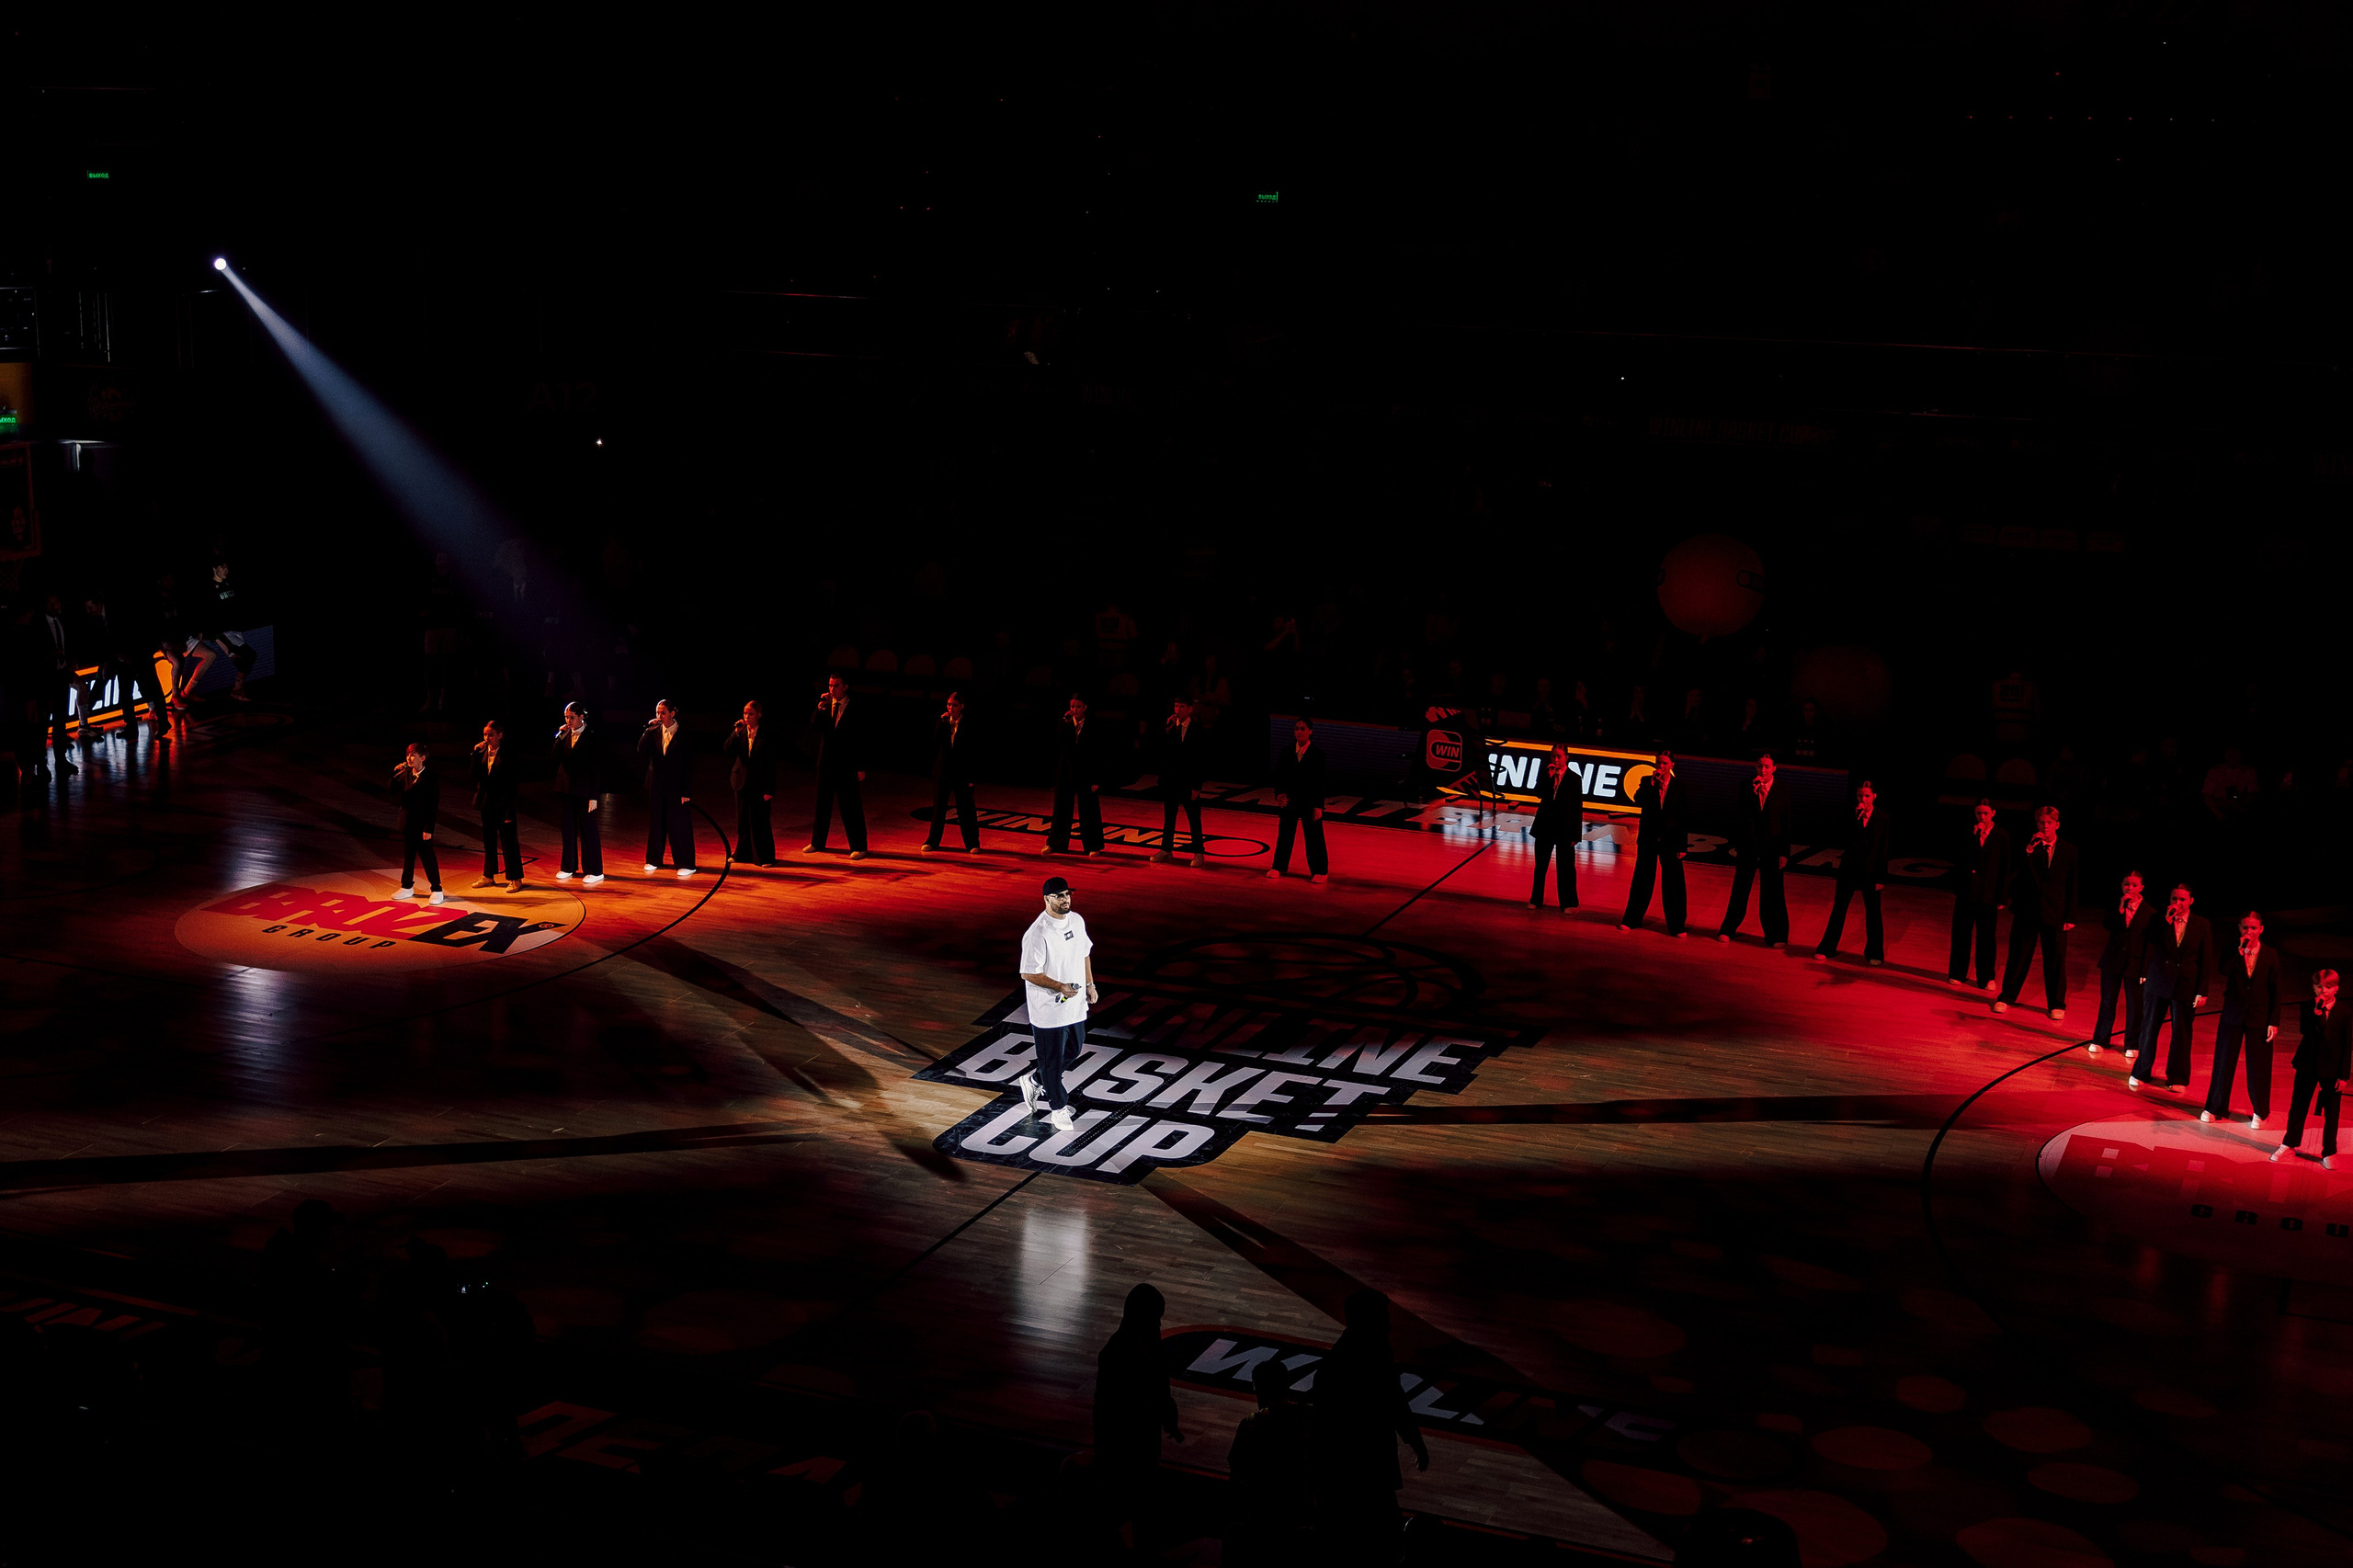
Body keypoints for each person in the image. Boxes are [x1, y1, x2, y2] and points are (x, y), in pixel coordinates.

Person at [1311, 1289, 1429, 1557]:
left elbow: (1394, 1400)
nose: (1390, 1324)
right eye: (1383, 1317)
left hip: (1355, 1477)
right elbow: (1394, 1401)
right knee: (1379, 1540)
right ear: (1366, 1322)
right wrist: (1414, 1440)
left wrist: (1414, 1439)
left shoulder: (1360, 1356)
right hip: (1357, 1476)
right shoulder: (1351, 1365)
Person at [1094, 1283, 1184, 1549]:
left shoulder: (1142, 1347)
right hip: (1121, 1451)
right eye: (1156, 1317)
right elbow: (1114, 1409)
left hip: (1137, 1448)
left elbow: (1159, 1391)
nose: (1158, 1324)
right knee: (1124, 1514)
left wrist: (1168, 1417)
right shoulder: (1115, 1354)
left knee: (1141, 1515)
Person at [1017, 876, 1095, 1133]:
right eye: (1059, 896)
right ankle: (1057, 1108)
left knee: (1073, 1050)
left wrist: (1090, 985)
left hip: (1074, 1004)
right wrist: (1060, 986)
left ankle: (1035, 1079)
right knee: (1052, 1060)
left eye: (1068, 894)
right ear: (1046, 900)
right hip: (1048, 1009)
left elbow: (1084, 952)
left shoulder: (1077, 920)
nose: (1065, 900)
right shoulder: (1038, 933)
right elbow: (1029, 973)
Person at [1226, 1358, 1313, 1566]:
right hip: (1306, 1513)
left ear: (1258, 1389)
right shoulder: (1311, 1417)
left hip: (1264, 1519)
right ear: (1287, 1384)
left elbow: (1236, 1472)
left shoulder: (1250, 1425)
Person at [1994, 805, 2078, 1017]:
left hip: (2055, 912)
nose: (2045, 826)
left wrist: (2070, 916)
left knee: (2055, 959)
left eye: (2049, 822)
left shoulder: (2069, 850)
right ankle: (2007, 997)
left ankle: (2057, 1003)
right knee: (2019, 955)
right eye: (2042, 822)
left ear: (2057, 825)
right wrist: (2029, 851)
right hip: (2028, 910)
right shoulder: (2030, 848)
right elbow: (2018, 875)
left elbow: (2073, 884)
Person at [2203, 910, 2284, 1129]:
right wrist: (2239, 953)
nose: (2249, 932)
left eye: (2253, 928)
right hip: (2233, 1013)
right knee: (2223, 1061)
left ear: (2261, 930)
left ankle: (2260, 1111)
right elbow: (2223, 970)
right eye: (2245, 928)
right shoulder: (2233, 950)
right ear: (2240, 929)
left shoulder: (2270, 954)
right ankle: (2215, 1106)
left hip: (2259, 1015)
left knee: (2259, 1065)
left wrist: (2273, 1021)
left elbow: (2275, 990)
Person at [2131, 883, 2213, 1091]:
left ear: (2191, 901)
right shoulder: (2159, 919)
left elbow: (2205, 960)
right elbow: (2148, 944)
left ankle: (2177, 1077)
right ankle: (2141, 1071)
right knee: (2149, 1028)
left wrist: (2202, 990)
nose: (2177, 903)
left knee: (2182, 1032)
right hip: (2158, 982)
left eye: (2182, 899)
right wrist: (2144, 973)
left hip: (2185, 985)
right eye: (2174, 898)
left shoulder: (2202, 925)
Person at [1811, 778, 1892, 964]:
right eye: (1860, 795)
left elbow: (1883, 849)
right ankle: (1827, 947)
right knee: (1839, 909)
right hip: (1849, 870)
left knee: (1873, 913)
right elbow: (1844, 840)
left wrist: (1881, 877)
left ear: (1874, 797)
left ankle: (1874, 953)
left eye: (1867, 796)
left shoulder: (1883, 818)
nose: (1863, 798)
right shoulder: (1850, 815)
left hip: (1871, 873)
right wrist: (1856, 820)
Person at [2277, 970, 2348, 1170]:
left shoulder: (2344, 1011)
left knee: (2332, 1111)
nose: (2322, 991)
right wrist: (2317, 1012)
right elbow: (2304, 1030)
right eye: (2318, 987)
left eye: (2327, 987)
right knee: (2298, 1105)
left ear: (2336, 989)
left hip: (2331, 1069)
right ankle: (2289, 1143)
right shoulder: (2309, 1006)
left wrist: (2343, 1075)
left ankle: (2329, 1151)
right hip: (2307, 1064)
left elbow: (2346, 1044)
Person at [1717, 752, 1789, 944]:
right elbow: (1740, 815)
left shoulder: (1783, 789)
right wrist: (1754, 792)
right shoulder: (1746, 786)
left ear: (1774, 768)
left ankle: (1775, 935)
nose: (1762, 770)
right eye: (1759, 766)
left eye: (1766, 766)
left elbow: (1786, 822)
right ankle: (1728, 929)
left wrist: (1784, 852)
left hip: (1772, 847)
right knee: (1740, 888)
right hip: (1749, 844)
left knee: (1772, 892)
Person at [1619, 752, 1688, 937]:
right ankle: (1632, 919)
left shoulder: (1679, 787)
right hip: (1648, 838)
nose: (1661, 766)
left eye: (1665, 763)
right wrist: (1650, 785)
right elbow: (1637, 799)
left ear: (1672, 765)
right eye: (1659, 763)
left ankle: (1677, 926)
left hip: (1671, 841)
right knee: (1642, 879)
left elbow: (1683, 817)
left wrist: (1682, 845)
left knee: (1673, 884)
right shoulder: (1646, 781)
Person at [2091, 870, 2154, 1057]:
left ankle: (2132, 1043)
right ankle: (2100, 1039)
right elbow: (2107, 925)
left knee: (2135, 1005)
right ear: (2122, 885)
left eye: (2134, 885)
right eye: (2127, 884)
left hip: (2134, 965)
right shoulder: (2116, 906)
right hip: (2112, 961)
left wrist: (2145, 970)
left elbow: (2150, 944)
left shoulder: (2150, 913)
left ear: (2142, 887)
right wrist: (2120, 909)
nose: (2130, 888)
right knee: (2108, 1001)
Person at [806, 673, 869, 858]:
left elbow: (862, 739)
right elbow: (813, 727)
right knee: (821, 805)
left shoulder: (855, 707)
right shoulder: (825, 707)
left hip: (847, 765)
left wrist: (861, 766)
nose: (832, 689)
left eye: (836, 685)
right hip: (826, 763)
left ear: (845, 687)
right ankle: (818, 842)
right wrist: (820, 707)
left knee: (851, 806)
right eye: (830, 685)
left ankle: (859, 845)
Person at [1949, 800, 2010, 989]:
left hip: (1988, 895)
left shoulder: (2002, 836)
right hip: (1967, 892)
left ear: (1993, 813)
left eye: (1985, 813)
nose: (1981, 817)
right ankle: (1958, 972)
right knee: (1961, 934)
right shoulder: (1969, 833)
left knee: (1986, 938)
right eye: (1978, 813)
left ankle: (1986, 977)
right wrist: (1974, 838)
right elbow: (1960, 860)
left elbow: (2005, 868)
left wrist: (2002, 897)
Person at [639, 699, 699, 877]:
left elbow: (688, 765)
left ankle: (685, 863)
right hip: (656, 785)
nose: (659, 716)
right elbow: (641, 750)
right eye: (658, 713)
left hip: (676, 787)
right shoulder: (654, 731)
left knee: (678, 825)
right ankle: (653, 859)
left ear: (672, 713)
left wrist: (686, 792)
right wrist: (647, 731)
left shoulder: (684, 733)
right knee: (656, 823)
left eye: (663, 713)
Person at [550, 702, 604, 884]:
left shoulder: (592, 737)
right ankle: (568, 866)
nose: (568, 721)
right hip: (566, 789)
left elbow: (596, 768)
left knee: (588, 830)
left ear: (581, 717)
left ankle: (595, 870)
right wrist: (560, 737)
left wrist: (594, 796)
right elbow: (554, 758)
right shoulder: (565, 736)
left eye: (572, 717)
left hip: (584, 790)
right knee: (568, 829)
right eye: (566, 717)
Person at [1269, 716, 1329, 882]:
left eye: (1303, 729)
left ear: (1310, 731)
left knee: (1314, 837)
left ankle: (1320, 871)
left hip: (1310, 802)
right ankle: (1278, 866)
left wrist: (1318, 806)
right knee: (1284, 835)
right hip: (1290, 801)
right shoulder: (1286, 752)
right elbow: (1279, 776)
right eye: (1297, 728)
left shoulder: (1318, 754)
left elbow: (1320, 782)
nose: (1299, 731)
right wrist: (1279, 794)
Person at [1153, 695, 1209, 867]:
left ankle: (1199, 852)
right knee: (1169, 817)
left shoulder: (1198, 730)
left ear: (1190, 709)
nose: (1178, 710)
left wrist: (1196, 786)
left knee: (1193, 818)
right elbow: (1163, 753)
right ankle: (1166, 849)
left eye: (1182, 707)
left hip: (1189, 782)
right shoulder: (1171, 728)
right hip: (1171, 781)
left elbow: (1201, 761)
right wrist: (1166, 730)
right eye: (1176, 706)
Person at [1529, 742, 1586, 912]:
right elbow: (1537, 793)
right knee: (1540, 866)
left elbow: (1577, 807)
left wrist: (1576, 835)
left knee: (1566, 868)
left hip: (1565, 830)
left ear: (1566, 758)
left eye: (1559, 756)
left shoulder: (1574, 779)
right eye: (1553, 756)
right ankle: (1536, 899)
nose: (1556, 759)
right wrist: (1547, 777)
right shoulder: (1546, 773)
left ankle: (1569, 903)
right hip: (1545, 827)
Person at [922, 691, 981, 853]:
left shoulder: (969, 724)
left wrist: (971, 776)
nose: (951, 708)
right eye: (949, 704)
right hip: (943, 772)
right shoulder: (943, 722)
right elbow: (935, 743)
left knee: (966, 809)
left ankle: (972, 843)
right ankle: (932, 841)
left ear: (962, 706)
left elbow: (973, 752)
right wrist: (942, 724)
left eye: (954, 705)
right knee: (938, 809)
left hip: (961, 773)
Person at [1047, 694, 1104, 857]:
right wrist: (1063, 724)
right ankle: (1056, 843)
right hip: (1067, 771)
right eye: (1072, 706)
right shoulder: (1065, 724)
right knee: (1061, 808)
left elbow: (1098, 754)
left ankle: (1093, 845)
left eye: (1078, 707)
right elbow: (1058, 745)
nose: (1075, 710)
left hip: (1086, 773)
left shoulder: (1093, 725)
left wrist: (1096, 779)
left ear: (1085, 707)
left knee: (1089, 809)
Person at [470, 719, 523, 891]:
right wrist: (475, 755)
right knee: (488, 840)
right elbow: (473, 775)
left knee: (509, 841)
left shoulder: (509, 754)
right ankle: (488, 875)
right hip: (486, 803)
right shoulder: (483, 753)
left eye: (490, 735)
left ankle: (515, 878)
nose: (487, 738)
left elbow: (512, 784)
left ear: (500, 735)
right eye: (485, 734)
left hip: (503, 804)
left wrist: (509, 811)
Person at [725, 699, 778, 866]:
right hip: (741, 781)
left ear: (759, 715)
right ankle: (742, 853)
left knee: (760, 820)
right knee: (742, 821)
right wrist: (735, 732)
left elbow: (771, 764)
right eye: (745, 713)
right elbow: (727, 748)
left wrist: (769, 788)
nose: (747, 717)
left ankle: (764, 856)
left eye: (751, 714)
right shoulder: (740, 732)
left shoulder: (767, 734)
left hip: (759, 783)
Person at [391, 743, 445, 903]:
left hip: (422, 825)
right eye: (408, 754)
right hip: (407, 823)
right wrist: (395, 773)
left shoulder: (431, 778)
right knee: (408, 857)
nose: (409, 758)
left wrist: (429, 829)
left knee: (427, 857)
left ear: (422, 758)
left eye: (413, 755)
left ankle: (436, 889)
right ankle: (407, 886)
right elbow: (391, 789)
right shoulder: (405, 774)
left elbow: (433, 806)